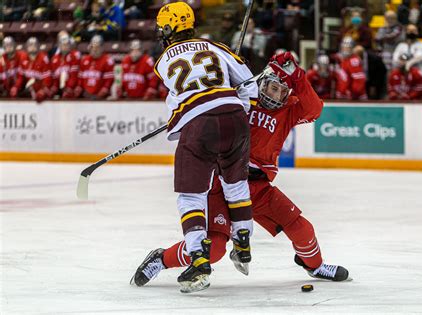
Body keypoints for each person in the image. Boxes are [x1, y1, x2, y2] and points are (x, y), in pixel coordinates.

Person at [130, 52, 350, 288]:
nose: (276, 95)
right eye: (272, 87)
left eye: (282, 91)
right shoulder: (240, 97)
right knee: (213, 250)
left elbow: (314, 110)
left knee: (303, 229)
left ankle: (314, 265)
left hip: (257, 187)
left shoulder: (290, 109)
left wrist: (298, 76)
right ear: (262, 82)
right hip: (223, 182)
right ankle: (161, 260)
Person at [145, 1, 258, 293]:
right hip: (235, 118)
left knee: (191, 195)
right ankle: (243, 242)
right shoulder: (217, 47)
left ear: (169, 29)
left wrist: (180, 119)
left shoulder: (162, 61)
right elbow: (248, 82)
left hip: (200, 126)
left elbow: (179, 101)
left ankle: (198, 259)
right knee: (236, 185)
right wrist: (238, 107)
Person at [12, 37, 51, 103]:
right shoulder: (23, 58)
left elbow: (47, 78)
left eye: (34, 45)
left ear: (38, 47)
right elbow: (20, 77)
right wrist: (16, 87)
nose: (32, 47)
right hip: (29, 90)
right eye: (30, 45)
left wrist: (43, 90)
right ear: (27, 47)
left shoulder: (44, 58)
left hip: (42, 90)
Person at [75, 35, 115, 99]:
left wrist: (102, 93)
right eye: (93, 47)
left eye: (97, 47)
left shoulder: (108, 61)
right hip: (85, 96)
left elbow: (108, 81)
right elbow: (80, 78)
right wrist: (79, 87)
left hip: (101, 98)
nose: (94, 50)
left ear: (102, 48)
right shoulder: (84, 60)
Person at [50, 34, 81, 99]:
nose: (65, 46)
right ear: (59, 46)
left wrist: (69, 88)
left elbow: (74, 76)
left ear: (70, 45)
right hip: (60, 88)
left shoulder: (75, 55)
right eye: (63, 44)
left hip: (73, 88)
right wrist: (54, 88)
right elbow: (54, 78)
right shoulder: (54, 59)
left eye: (67, 44)